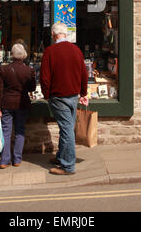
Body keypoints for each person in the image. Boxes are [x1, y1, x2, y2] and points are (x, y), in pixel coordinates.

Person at [40, 23, 88, 175]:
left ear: (54, 35)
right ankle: (61, 157)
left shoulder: (50, 51)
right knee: (66, 128)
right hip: (73, 95)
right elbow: (84, 74)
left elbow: (44, 78)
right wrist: (83, 92)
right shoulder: (76, 50)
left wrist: (47, 95)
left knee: (66, 130)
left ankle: (68, 166)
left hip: (58, 96)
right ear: (65, 35)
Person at [0, 43, 36, 169]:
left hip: (7, 104)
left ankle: (4, 160)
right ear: (23, 55)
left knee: (6, 132)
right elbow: (32, 88)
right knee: (20, 131)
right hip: (22, 103)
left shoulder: (4, 69)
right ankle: (17, 159)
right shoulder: (29, 70)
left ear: (12, 55)